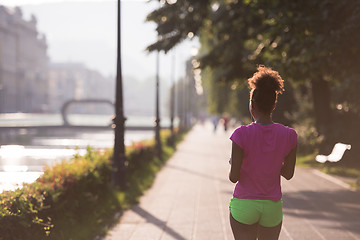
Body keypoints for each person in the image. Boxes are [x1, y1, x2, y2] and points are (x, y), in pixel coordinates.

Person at [228, 65, 297, 240]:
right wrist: (272, 164)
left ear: (252, 104)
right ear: (274, 104)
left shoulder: (240, 135)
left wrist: (234, 164)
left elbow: (234, 177)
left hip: (244, 205)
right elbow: (288, 174)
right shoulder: (289, 135)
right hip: (272, 207)